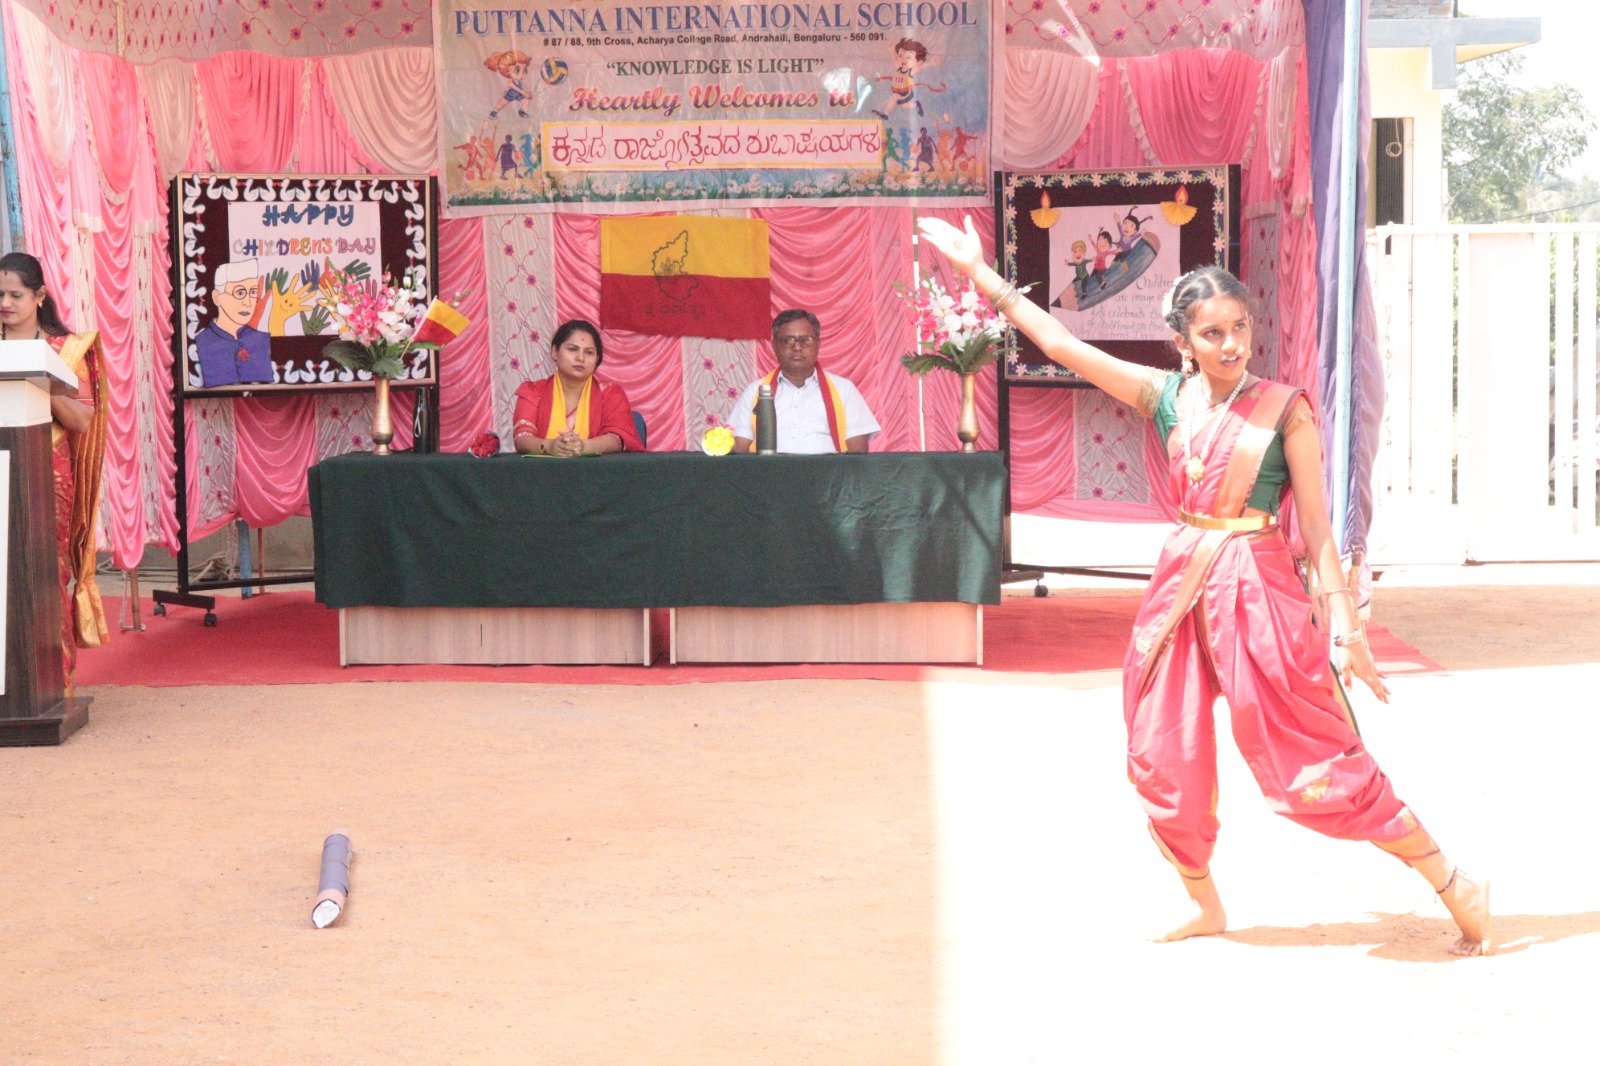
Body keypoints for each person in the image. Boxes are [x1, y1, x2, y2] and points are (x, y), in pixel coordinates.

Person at [916, 216, 1491, 957]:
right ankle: (1204, 903)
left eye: (1240, 328)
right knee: (1162, 745)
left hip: (1260, 591)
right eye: (1212, 333)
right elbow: (1058, 342)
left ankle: (1451, 879)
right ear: (1182, 342)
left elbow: (1317, 530)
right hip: (1182, 588)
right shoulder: (1163, 396)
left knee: (1310, 757)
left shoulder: (1285, 410)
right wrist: (979, 272)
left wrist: (1347, 628)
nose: (1231, 344)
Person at [0, 252, 109, 691]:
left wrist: (36, 384)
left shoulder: (65, 351)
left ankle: (53, 683)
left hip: (47, 473)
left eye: (15, 294)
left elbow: (82, 419)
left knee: (45, 572)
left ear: (40, 295)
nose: (5, 303)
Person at [726, 310, 880, 454]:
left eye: (805, 340)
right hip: (769, 474)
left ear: (818, 344)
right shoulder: (755, 391)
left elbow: (857, 455)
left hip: (828, 474)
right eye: (788, 340)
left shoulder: (844, 389)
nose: (797, 347)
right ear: (774, 346)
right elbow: (740, 450)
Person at [512, 319, 643, 456]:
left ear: (597, 359)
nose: (580, 358)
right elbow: (522, 438)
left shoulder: (610, 394)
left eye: (589, 352)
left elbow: (617, 439)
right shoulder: (532, 392)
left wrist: (584, 447)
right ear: (555, 351)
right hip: (542, 469)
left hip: (596, 469)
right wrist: (549, 446)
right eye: (572, 349)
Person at [195, 258, 274, 387]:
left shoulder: (261, 340)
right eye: (240, 293)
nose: (248, 302)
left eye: (253, 292)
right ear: (217, 298)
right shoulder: (203, 341)